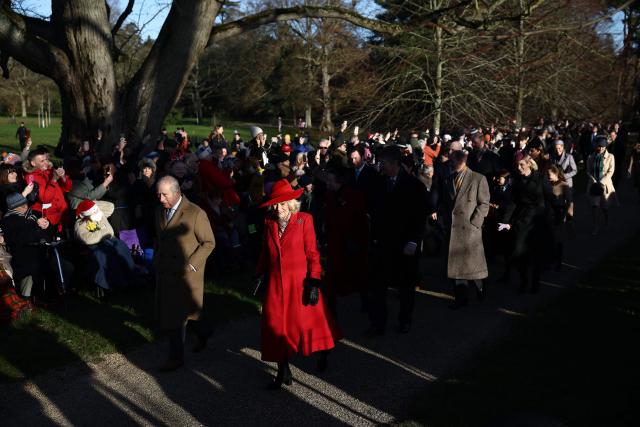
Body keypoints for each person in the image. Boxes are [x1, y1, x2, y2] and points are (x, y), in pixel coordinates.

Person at [254, 179, 341, 389]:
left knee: (310, 327)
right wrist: (259, 273)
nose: (278, 208)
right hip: (276, 285)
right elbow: (266, 252)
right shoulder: (269, 222)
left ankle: (323, 353)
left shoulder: (304, 220)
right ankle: (283, 371)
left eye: (282, 204)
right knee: (275, 327)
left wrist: (314, 281)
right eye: (275, 204)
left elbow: (312, 253)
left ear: (292, 203)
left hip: (300, 284)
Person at [154, 176, 215, 372]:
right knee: (183, 314)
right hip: (166, 272)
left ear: (177, 192)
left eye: (164, 194)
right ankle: (204, 332)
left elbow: (209, 243)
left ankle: (176, 357)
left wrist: (192, 265)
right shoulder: (159, 211)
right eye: (158, 194)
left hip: (186, 276)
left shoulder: (196, 213)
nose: (161, 198)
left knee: (179, 317)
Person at [367, 145, 429, 335]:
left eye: (384, 163)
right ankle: (378, 324)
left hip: (405, 245)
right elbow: (373, 211)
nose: (381, 166)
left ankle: (405, 320)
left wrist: (414, 241)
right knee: (378, 286)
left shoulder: (414, 186)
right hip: (383, 243)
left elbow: (420, 216)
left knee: (405, 286)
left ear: (395, 163)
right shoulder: (378, 183)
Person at [441, 150, 490, 309]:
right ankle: (460, 300)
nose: (450, 164)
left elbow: (484, 203)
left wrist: (475, 222)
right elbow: (447, 203)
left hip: (470, 230)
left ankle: (481, 288)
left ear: (461, 161)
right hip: (454, 229)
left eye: (452, 161)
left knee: (473, 267)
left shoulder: (478, 178)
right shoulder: (449, 179)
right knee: (457, 268)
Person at [499, 156, 547, 293]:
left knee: (536, 253)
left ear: (529, 165)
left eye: (521, 165)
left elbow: (549, 197)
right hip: (521, 221)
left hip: (537, 220)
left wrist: (557, 213)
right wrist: (505, 221)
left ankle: (535, 282)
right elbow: (513, 202)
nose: (518, 167)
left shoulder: (540, 178)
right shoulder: (517, 181)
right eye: (517, 165)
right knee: (518, 252)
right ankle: (524, 280)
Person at [73, 200, 138, 293]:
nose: (96, 211)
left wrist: (93, 203)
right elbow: (86, 238)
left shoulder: (100, 214)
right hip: (95, 245)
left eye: (96, 209)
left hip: (110, 241)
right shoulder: (80, 224)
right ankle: (113, 283)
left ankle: (131, 277)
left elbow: (110, 206)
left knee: (121, 248)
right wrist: (104, 233)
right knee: (104, 255)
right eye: (93, 210)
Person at [0, 193, 50, 299]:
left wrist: (45, 224)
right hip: (20, 256)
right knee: (31, 267)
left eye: (25, 203)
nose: (26, 206)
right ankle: (27, 298)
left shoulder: (30, 215)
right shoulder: (11, 220)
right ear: (17, 207)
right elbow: (26, 235)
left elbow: (41, 230)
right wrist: (38, 225)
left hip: (32, 254)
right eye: (23, 204)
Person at [23, 148, 72, 231]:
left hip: (63, 212)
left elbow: (67, 188)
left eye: (46, 159)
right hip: (49, 217)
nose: (46, 162)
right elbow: (45, 199)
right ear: (33, 163)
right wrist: (54, 180)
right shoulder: (31, 177)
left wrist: (63, 176)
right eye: (42, 161)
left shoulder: (50, 171)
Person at [544, 165, 572, 271]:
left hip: (559, 217)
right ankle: (549, 261)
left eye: (549, 174)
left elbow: (569, 202)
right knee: (548, 241)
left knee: (558, 241)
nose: (548, 176)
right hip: (547, 216)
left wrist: (567, 217)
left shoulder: (564, 185)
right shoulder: (547, 185)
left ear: (556, 174)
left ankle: (558, 263)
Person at [586, 136, 615, 235]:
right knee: (595, 206)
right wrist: (593, 180)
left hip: (604, 185)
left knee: (605, 207)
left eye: (603, 146)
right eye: (599, 146)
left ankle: (607, 221)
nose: (601, 148)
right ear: (596, 146)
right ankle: (596, 226)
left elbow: (611, 171)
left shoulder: (611, 156)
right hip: (594, 185)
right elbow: (588, 171)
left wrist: (601, 182)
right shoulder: (590, 157)